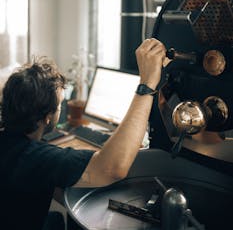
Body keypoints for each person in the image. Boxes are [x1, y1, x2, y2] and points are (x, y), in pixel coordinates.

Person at [0, 38, 166, 230]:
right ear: (47, 118)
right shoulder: (34, 157)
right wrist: (147, 84)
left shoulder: (10, 144)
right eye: (60, 105)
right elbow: (113, 169)